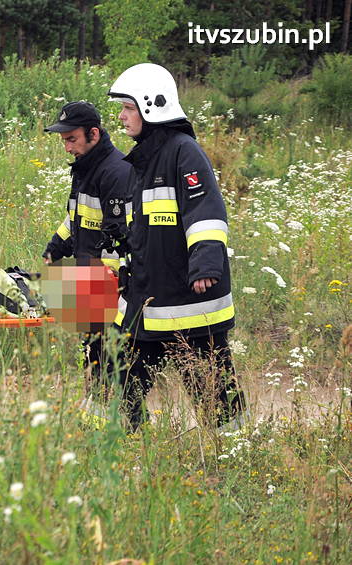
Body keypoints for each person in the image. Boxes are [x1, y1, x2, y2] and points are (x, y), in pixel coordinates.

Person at [107, 63, 245, 430]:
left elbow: (206, 211)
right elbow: (145, 230)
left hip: (188, 300)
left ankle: (231, 453)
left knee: (213, 389)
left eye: (128, 108)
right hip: (149, 299)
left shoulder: (184, 152)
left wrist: (205, 265)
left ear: (152, 106)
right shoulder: (144, 158)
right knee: (120, 381)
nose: (121, 117)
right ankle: (117, 445)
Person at [42, 101, 131, 403]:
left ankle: (117, 424)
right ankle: (97, 415)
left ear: (93, 133)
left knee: (111, 363)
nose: (67, 147)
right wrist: (56, 246)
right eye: (63, 140)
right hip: (90, 283)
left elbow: (120, 240)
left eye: (72, 139)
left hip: (110, 290)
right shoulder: (85, 168)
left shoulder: (116, 172)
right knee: (94, 360)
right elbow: (77, 217)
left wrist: (104, 288)